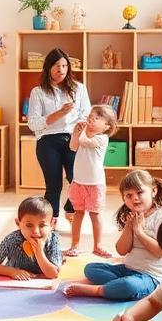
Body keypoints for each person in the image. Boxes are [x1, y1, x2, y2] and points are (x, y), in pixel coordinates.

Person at [64, 170, 162, 298]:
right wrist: (128, 226)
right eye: (129, 195)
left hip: (150, 276)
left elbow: (161, 252)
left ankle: (98, 290)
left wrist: (139, 231)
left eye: (140, 193)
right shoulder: (132, 216)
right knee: (91, 268)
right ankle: (116, 286)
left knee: (129, 286)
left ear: (153, 191)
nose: (135, 198)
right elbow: (121, 250)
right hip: (127, 270)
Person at [27, 47, 91, 227]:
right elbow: (33, 123)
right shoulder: (38, 92)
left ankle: (71, 209)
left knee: (77, 181)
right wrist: (59, 113)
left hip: (73, 138)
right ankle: (50, 224)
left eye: (64, 66)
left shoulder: (79, 88)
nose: (61, 70)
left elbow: (86, 114)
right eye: (57, 66)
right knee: (53, 186)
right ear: (48, 68)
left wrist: (80, 127)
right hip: (48, 141)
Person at [65, 104, 118, 257]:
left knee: (95, 215)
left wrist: (81, 132)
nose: (91, 120)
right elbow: (73, 146)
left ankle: (98, 245)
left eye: (97, 118)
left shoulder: (102, 138)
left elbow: (85, 142)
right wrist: (75, 134)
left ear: (107, 126)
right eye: (90, 117)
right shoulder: (84, 136)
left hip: (95, 185)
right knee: (77, 214)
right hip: (78, 182)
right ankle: (74, 245)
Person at [0, 196, 62, 280]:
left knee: (57, 261)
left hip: (41, 285)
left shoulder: (53, 239)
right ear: (18, 223)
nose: (36, 231)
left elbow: (54, 274)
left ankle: (61, 258)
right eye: (29, 225)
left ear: (52, 224)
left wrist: (39, 252)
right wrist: (13, 272)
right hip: (15, 284)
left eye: (42, 225)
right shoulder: (12, 239)